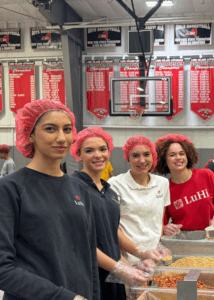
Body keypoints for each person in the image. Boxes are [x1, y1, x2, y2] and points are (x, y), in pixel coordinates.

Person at [0, 99, 100, 300]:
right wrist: (62, 297)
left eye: (67, 129)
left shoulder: (80, 188)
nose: (62, 138)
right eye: (50, 129)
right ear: (30, 135)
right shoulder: (10, 189)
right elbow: (3, 268)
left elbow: (89, 257)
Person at [70, 128, 162, 300]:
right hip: (89, 276)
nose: (98, 155)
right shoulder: (73, 187)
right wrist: (120, 268)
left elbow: (111, 233)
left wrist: (138, 256)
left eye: (102, 149)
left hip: (113, 276)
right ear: (78, 154)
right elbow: (80, 241)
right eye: (89, 151)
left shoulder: (109, 192)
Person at [108, 135, 171, 263]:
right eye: (135, 156)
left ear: (153, 156)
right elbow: (112, 227)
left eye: (146, 154)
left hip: (155, 257)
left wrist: (158, 246)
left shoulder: (162, 183)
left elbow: (159, 220)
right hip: (128, 259)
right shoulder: (115, 184)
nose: (142, 161)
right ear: (128, 159)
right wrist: (140, 253)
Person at [154, 134, 214, 236]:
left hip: (211, 237)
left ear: (188, 156)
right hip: (184, 242)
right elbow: (162, 220)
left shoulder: (207, 175)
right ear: (164, 160)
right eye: (172, 155)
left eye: (181, 153)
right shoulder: (165, 189)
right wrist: (165, 228)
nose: (178, 158)